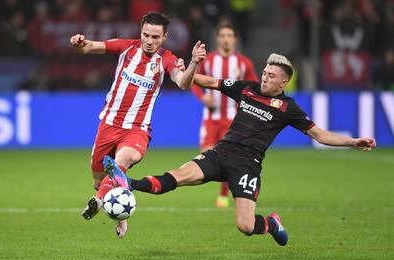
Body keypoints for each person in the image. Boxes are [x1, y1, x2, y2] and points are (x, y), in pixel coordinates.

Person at [103, 53, 376, 245]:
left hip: (247, 165)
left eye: (271, 76)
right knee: (179, 175)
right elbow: (211, 82)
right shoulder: (247, 88)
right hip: (222, 152)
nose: (265, 77)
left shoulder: (288, 108)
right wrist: (187, 70)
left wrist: (353, 141)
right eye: (265, 72)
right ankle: (129, 182)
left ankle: (271, 224)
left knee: (245, 226)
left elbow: (319, 134)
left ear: (283, 82)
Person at [70, 11, 206, 237]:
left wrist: (193, 63)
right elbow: (88, 47)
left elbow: (182, 82)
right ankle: (119, 212)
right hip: (109, 124)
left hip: (137, 129)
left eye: (155, 37)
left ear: (164, 37)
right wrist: (78, 43)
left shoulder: (167, 59)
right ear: (140, 32)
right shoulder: (126, 48)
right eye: (146, 35)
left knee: (120, 163)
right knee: (99, 180)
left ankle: (99, 202)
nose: (150, 41)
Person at [191, 23, 258, 208]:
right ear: (217, 38)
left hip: (232, 119)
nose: (226, 38)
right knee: (206, 155)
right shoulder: (209, 60)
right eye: (222, 35)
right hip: (211, 118)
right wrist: (204, 98)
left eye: (229, 35)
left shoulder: (244, 63)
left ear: (234, 39)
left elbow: (254, 88)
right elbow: (193, 80)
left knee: (227, 158)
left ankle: (223, 195)